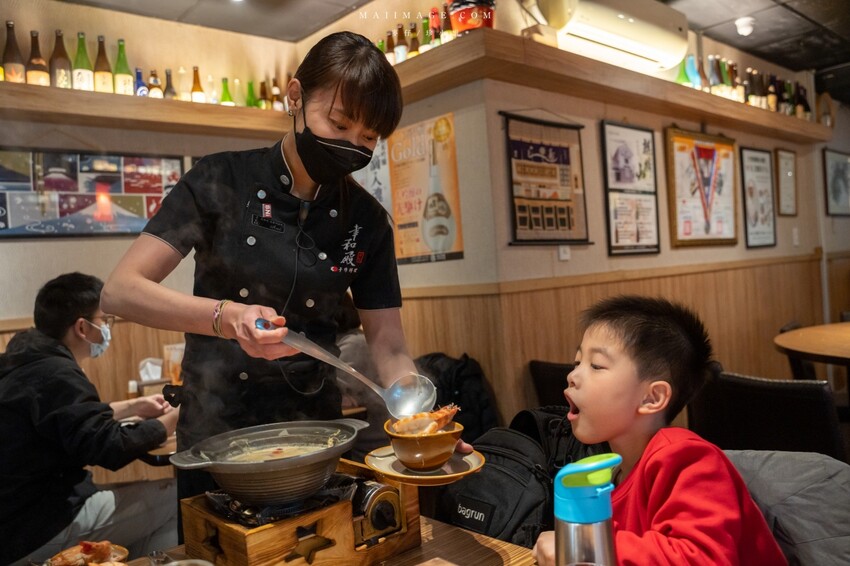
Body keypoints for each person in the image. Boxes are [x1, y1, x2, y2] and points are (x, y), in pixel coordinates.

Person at [101, 31, 467, 505]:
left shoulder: (368, 221)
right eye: (339, 124)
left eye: (369, 137)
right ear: (295, 97)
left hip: (317, 435)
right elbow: (121, 290)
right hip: (216, 431)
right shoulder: (219, 179)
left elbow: (389, 344)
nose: (353, 146)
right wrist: (225, 317)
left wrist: (421, 425)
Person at [532, 295, 786, 565]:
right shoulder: (608, 470)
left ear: (652, 398)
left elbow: (701, 558)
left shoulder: (686, 458)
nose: (573, 376)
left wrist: (585, 547)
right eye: (577, 362)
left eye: (596, 365)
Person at [0, 272, 179, 564]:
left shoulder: (24, 359)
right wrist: (172, 420)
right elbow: (108, 447)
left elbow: (64, 417)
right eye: (105, 321)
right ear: (83, 327)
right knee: (173, 497)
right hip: (37, 525)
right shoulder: (57, 374)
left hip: (13, 517)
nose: (108, 329)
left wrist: (133, 406)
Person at [333, 292, 391, 461]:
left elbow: (334, 396)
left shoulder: (353, 343)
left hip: (372, 444)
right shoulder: (344, 340)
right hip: (356, 438)